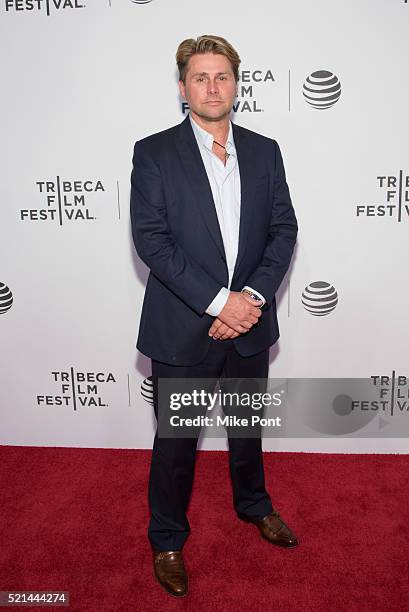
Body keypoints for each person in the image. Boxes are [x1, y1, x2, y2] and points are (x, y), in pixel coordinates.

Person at [130, 35, 298, 598]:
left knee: (247, 429)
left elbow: (283, 231)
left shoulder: (265, 149)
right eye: (199, 78)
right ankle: (168, 538)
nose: (211, 87)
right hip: (183, 327)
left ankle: (254, 505)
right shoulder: (153, 153)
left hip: (249, 323)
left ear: (236, 84)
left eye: (222, 76)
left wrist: (247, 300)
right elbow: (152, 242)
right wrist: (218, 302)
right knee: (176, 441)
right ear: (182, 88)